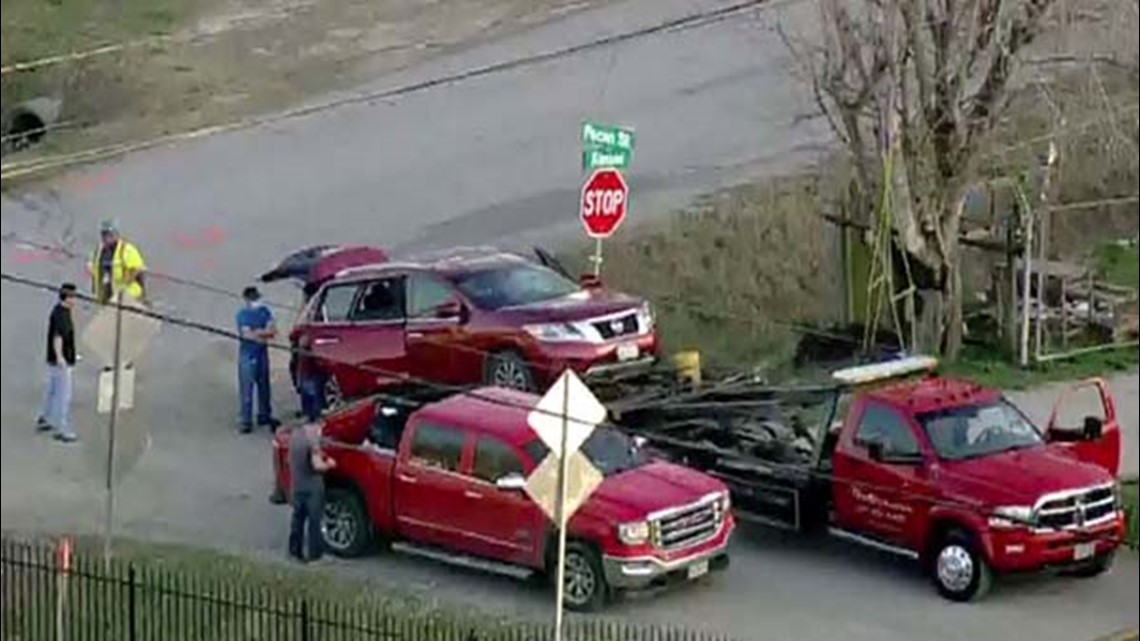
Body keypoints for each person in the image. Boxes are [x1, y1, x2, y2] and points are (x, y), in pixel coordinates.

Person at [36, 283, 79, 443]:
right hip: (61, 362)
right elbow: (58, 338)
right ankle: (62, 428)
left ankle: (45, 418)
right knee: (63, 395)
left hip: (54, 360)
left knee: (52, 390)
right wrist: (61, 357)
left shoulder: (59, 311)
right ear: (67, 298)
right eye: (73, 297)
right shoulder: (62, 316)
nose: (75, 300)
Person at [288, 421, 335, 562]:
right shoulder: (312, 442)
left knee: (298, 519)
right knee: (314, 521)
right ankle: (315, 555)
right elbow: (317, 465)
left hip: (297, 484)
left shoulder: (295, 437)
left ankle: (294, 550)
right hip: (312, 488)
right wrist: (329, 464)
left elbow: (288, 460)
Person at [236, 286, 279, 433]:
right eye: (253, 298)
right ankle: (246, 421)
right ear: (247, 300)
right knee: (247, 388)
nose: (256, 301)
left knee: (264, 386)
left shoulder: (264, 311)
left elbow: (273, 331)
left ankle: (264, 415)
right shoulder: (242, 314)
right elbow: (246, 335)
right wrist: (263, 332)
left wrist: (257, 333)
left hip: (261, 353)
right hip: (247, 355)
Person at [89, 219, 147, 305]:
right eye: (104, 235)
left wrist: (126, 282)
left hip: (127, 296)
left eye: (109, 235)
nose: (106, 238)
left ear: (116, 235)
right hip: (107, 295)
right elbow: (96, 267)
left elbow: (138, 268)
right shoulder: (100, 250)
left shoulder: (126, 249)